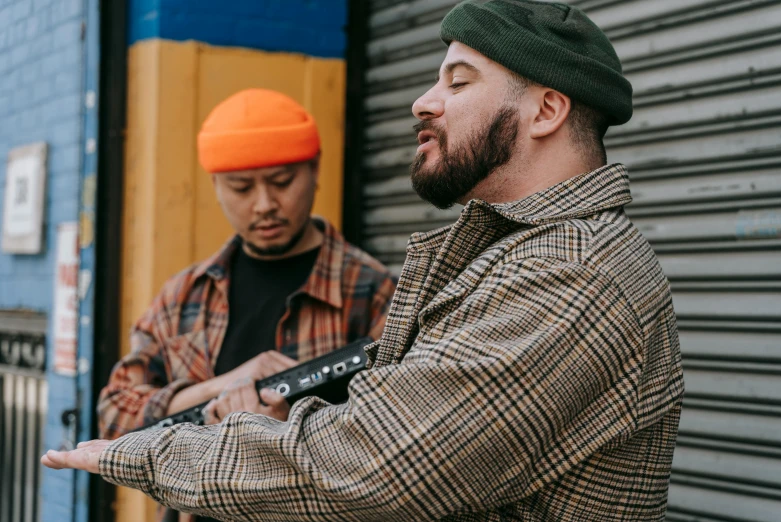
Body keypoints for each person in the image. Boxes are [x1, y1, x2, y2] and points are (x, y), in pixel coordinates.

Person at [43, 2, 684, 520]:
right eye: (241, 186)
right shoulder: (507, 256)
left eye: (458, 82)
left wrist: (166, 452)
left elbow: (377, 463)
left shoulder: (572, 272)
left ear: (547, 110)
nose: (423, 102)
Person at [93, 89, 396, 522]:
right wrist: (215, 390)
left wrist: (286, 429)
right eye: (240, 187)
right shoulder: (183, 294)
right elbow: (113, 420)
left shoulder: (373, 292)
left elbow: (395, 444)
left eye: (281, 181)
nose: (264, 204)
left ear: (314, 170)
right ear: (216, 185)